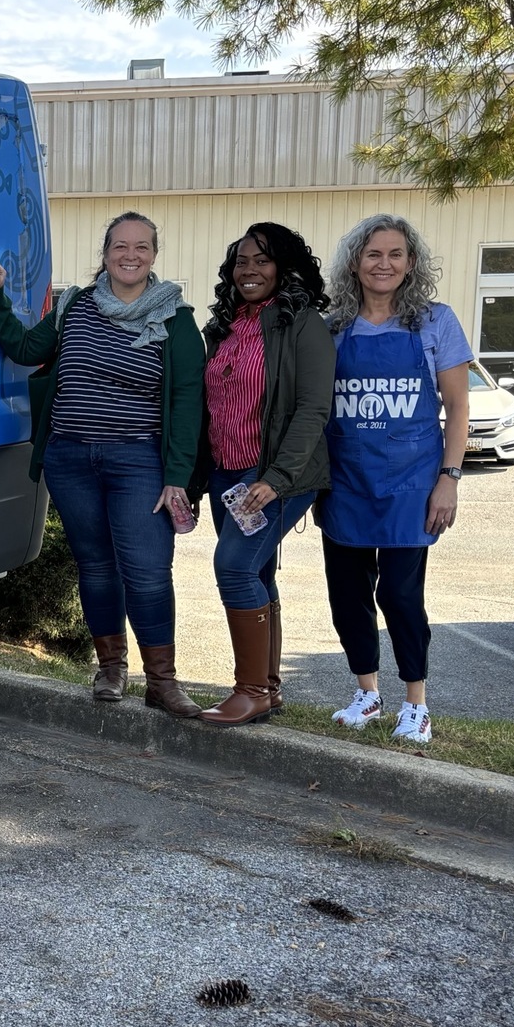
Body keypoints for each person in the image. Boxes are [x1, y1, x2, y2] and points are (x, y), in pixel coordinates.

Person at [0, 211, 205, 716]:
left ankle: (162, 681)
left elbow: (188, 403)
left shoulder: (176, 319)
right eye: (120, 246)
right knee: (98, 568)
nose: (130, 255)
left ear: (154, 255)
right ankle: (110, 668)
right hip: (70, 458)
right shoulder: (76, 306)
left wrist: (177, 478)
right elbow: (25, 348)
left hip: (138, 460)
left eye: (141, 247)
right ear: (105, 253)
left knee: (147, 571)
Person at [318, 214, 472, 745]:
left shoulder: (435, 322)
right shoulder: (332, 326)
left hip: (412, 484)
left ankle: (416, 702)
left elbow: (456, 408)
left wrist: (448, 478)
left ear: (411, 263)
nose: (384, 264)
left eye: (395, 254)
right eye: (373, 254)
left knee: (402, 597)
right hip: (345, 480)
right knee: (347, 594)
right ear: (355, 263)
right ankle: (367, 692)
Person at [190, 222, 335, 726]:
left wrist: (275, 479)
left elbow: (314, 409)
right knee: (256, 572)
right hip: (225, 473)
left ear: (284, 267)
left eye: (262, 260)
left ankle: (249, 689)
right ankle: (267, 691)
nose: (249, 270)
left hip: (274, 474)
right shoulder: (225, 325)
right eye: (242, 261)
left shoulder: (302, 324)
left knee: (232, 567)